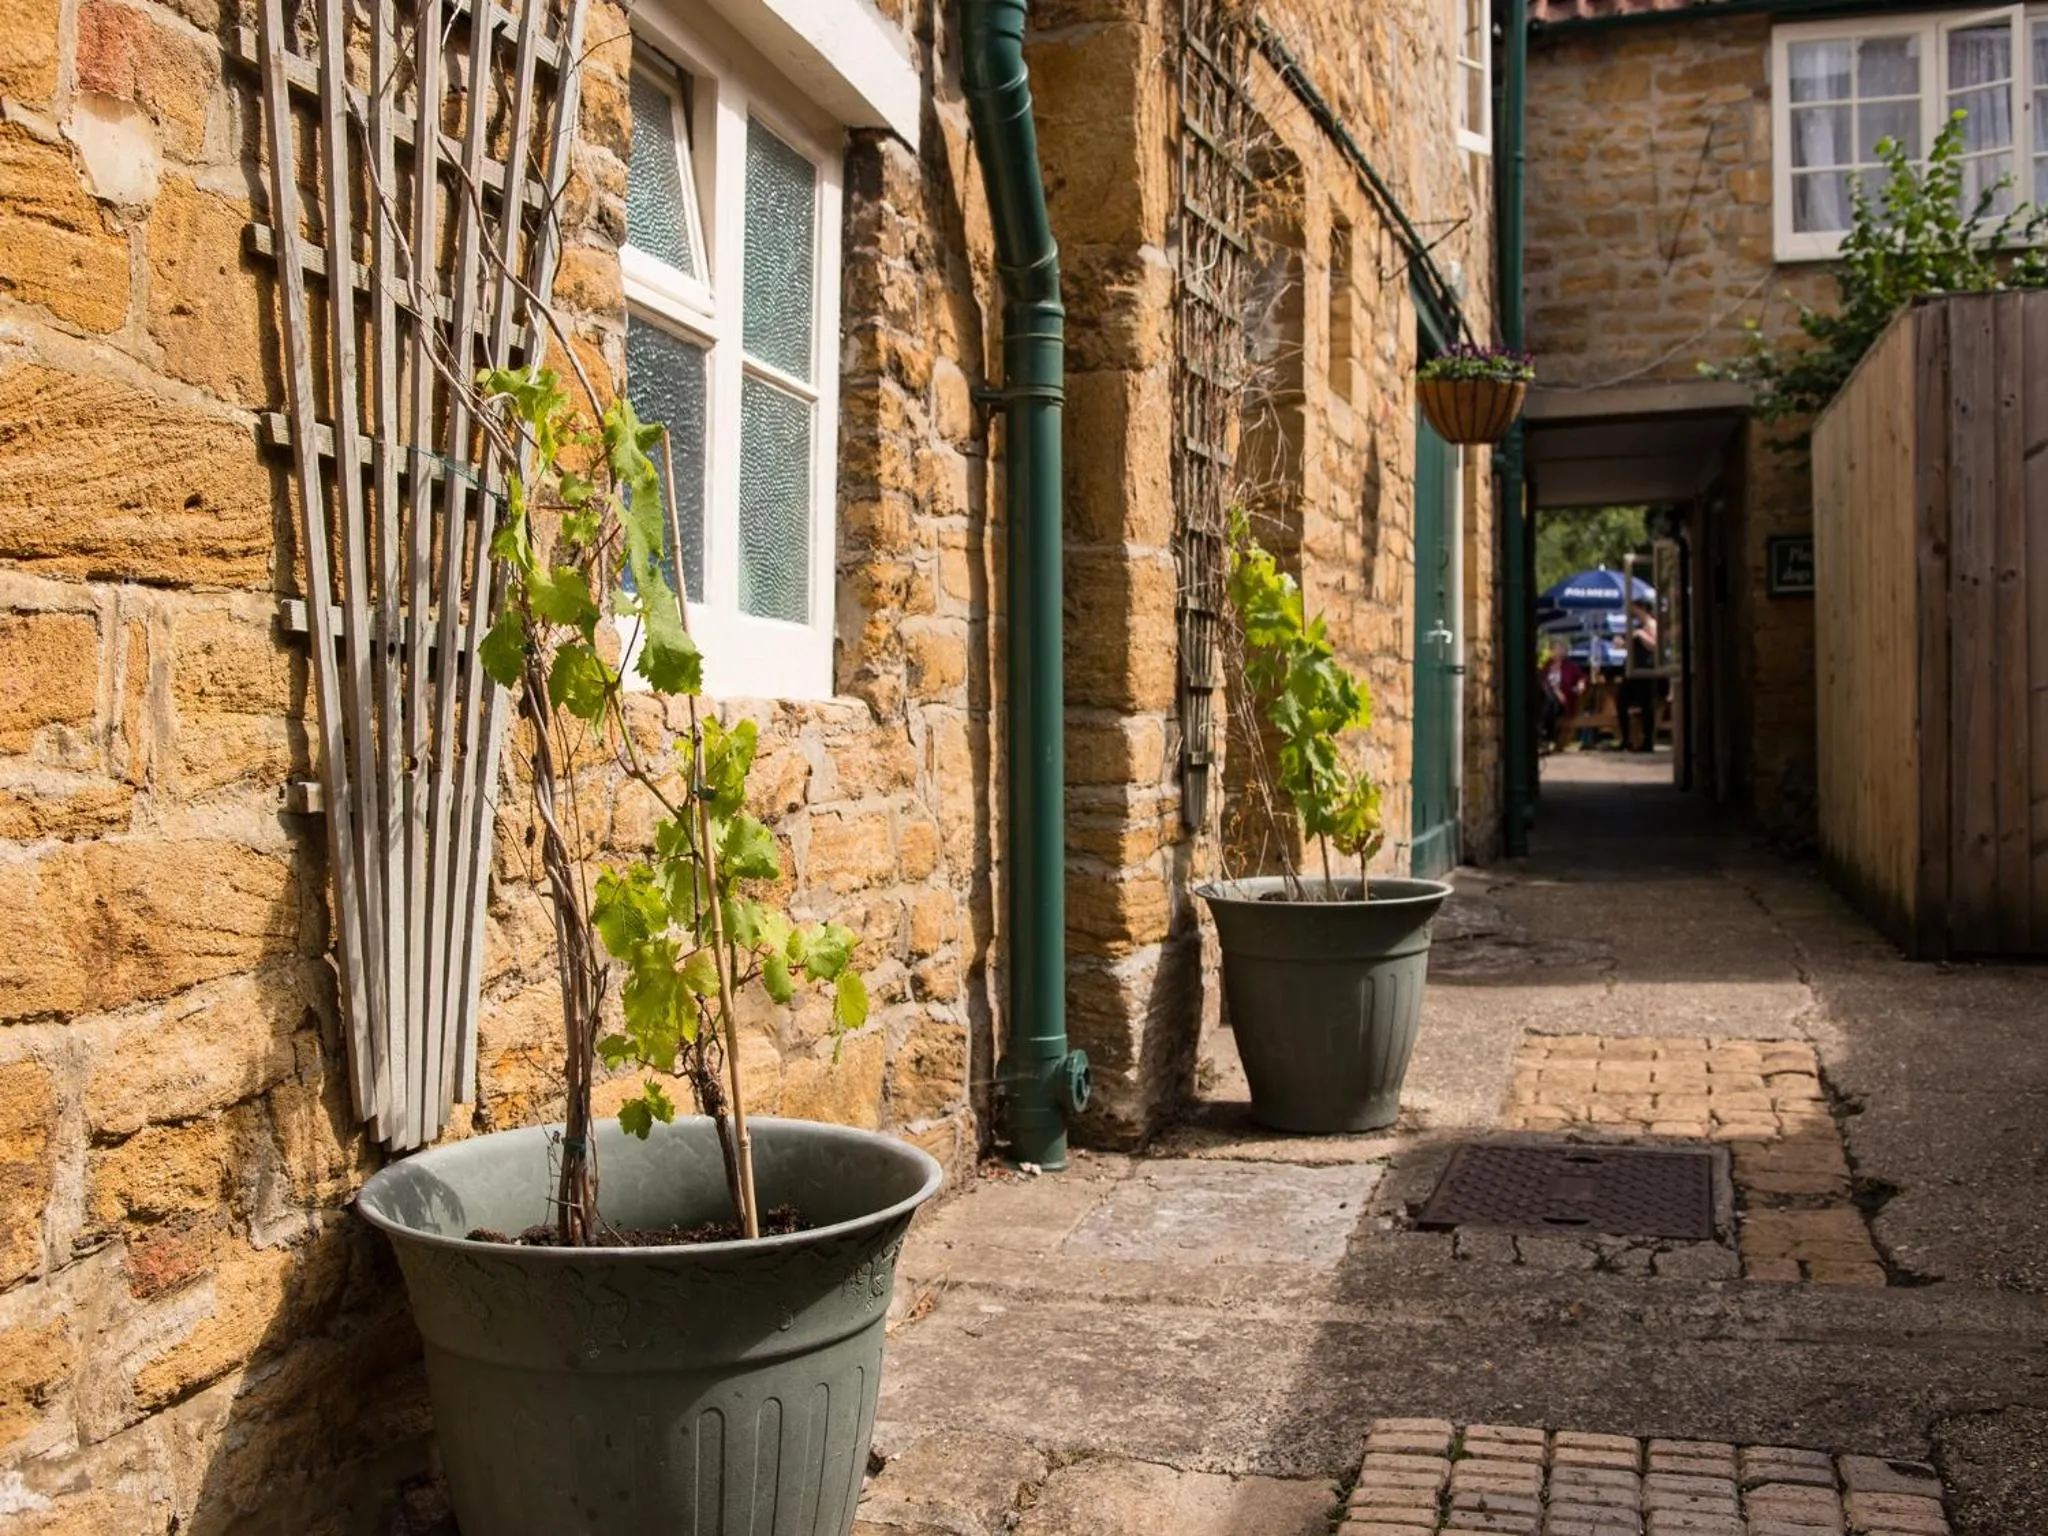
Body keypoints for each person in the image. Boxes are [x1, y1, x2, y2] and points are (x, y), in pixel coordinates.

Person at [1620, 600, 1660, 752]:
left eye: (1634, 608)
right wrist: (1622, 642)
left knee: (1646, 706)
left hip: (1646, 670)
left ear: (1642, 608)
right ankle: (1626, 739)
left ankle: (1647, 742)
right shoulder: (1637, 626)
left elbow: (1655, 645)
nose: (1632, 611)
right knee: (1622, 702)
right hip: (1633, 670)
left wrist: (1641, 635)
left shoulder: (1651, 625)